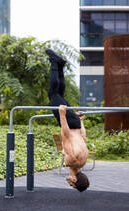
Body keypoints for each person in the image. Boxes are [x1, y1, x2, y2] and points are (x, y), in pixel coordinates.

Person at [46, 48, 89, 192]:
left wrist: (81, 120)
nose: (69, 183)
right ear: (75, 180)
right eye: (71, 184)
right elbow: (66, 135)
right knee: (53, 93)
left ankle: (60, 65)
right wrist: (62, 115)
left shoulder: (83, 161)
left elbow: (83, 137)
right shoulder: (71, 162)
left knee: (60, 94)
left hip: (75, 123)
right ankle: (54, 62)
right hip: (69, 124)